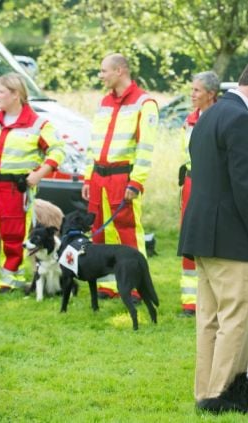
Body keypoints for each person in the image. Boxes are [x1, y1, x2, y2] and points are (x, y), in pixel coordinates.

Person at [177, 58, 248, 403]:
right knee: (235, 322)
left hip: (201, 234)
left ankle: (205, 393)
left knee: (209, 322)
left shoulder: (209, 114)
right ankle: (223, 396)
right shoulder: (241, 120)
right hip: (232, 239)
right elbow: (246, 188)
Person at [0, 72, 64, 292]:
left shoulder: (38, 124)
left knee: (13, 235)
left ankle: (10, 280)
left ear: (15, 94)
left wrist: (38, 174)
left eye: (0, 92)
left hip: (15, 190)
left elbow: (57, 151)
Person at [81, 53, 158, 299]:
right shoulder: (104, 102)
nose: (101, 76)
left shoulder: (145, 103)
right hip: (98, 177)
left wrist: (136, 182)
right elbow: (93, 143)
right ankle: (107, 284)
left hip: (122, 177)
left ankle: (136, 285)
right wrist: (87, 176)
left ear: (120, 71)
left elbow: (146, 148)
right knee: (100, 231)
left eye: (104, 71)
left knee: (127, 232)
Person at [178, 71, 220, 317]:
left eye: (197, 90)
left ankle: (210, 297)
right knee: (188, 238)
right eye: (192, 90)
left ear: (211, 94)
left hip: (210, 184)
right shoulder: (189, 120)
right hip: (191, 183)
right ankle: (189, 300)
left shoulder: (219, 118)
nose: (192, 95)